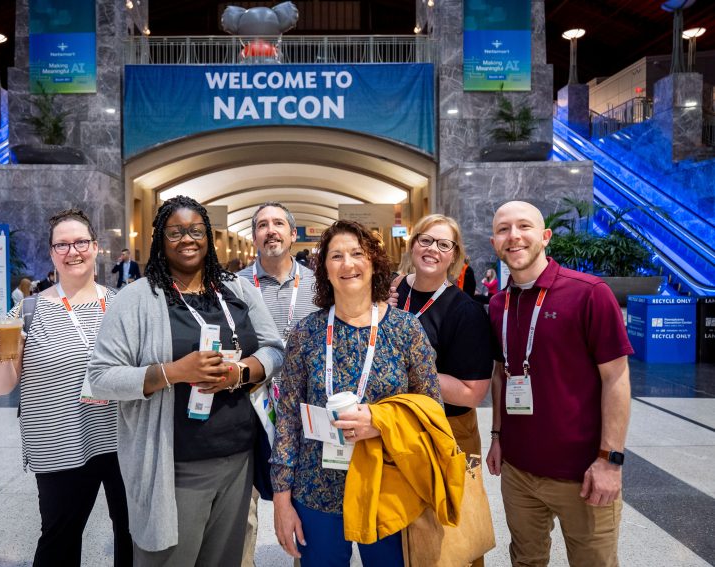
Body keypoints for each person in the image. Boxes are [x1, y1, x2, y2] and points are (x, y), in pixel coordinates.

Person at [86, 196, 284, 566]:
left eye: (196, 231)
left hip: (237, 458)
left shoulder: (236, 290)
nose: (187, 239)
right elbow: (100, 377)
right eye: (175, 232)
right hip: (173, 465)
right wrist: (174, 372)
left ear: (209, 237)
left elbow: (275, 349)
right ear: (160, 240)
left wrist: (241, 372)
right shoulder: (136, 299)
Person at [271, 220, 442, 567]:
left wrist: (381, 423)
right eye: (336, 256)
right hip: (317, 489)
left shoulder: (405, 329)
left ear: (374, 263)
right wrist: (281, 498)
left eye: (357, 254)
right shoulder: (307, 333)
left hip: (388, 487)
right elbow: (287, 418)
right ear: (325, 270)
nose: (348, 264)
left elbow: (431, 410)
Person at [0, 208, 132, 567]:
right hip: (60, 443)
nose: (72, 251)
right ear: (51, 253)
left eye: (80, 242)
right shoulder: (27, 313)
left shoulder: (121, 305)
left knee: (131, 534)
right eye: (61, 245)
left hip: (123, 438)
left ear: (96, 248)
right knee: (59, 538)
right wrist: (0, 356)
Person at [485, 201, 632, 567]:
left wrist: (610, 461)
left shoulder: (589, 293)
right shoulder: (498, 304)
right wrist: (498, 437)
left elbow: (616, 378)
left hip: (582, 473)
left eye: (524, 227)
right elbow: (501, 372)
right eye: (503, 229)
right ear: (494, 242)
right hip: (519, 472)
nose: (514, 236)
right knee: (526, 560)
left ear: (545, 237)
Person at [392, 214, 494, 566]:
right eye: (425, 240)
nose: (432, 249)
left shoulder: (465, 312)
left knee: (453, 539)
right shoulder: (392, 293)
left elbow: (470, 393)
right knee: (404, 530)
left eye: (443, 244)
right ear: (412, 244)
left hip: (448, 432)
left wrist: (405, 372)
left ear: (454, 256)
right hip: (395, 427)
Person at [237, 201, 318, 567]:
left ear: (292, 233)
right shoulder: (234, 286)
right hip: (248, 408)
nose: (271, 230)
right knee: (241, 509)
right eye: (262, 225)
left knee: (306, 506)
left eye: (278, 223)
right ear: (253, 236)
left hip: (303, 411)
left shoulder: (319, 285)